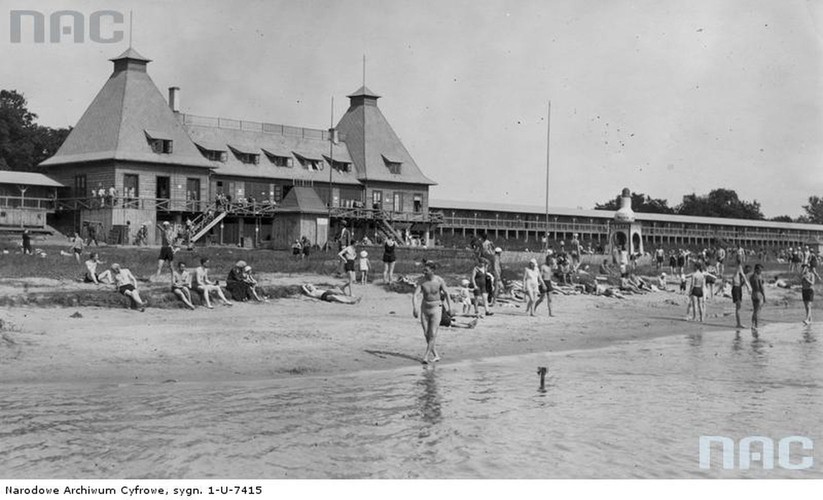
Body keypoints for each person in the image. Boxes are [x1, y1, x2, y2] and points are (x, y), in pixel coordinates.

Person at [412, 261, 452, 364]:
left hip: (436, 307)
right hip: (425, 307)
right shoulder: (421, 281)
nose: (424, 271)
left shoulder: (439, 280)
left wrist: (449, 308)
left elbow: (447, 293)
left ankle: (425, 356)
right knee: (426, 333)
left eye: (426, 270)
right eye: (424, 270)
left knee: (432, 333)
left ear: (432, 270)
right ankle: (436, 355)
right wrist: (415, 308)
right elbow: (415, 295)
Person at [749, 263, 766, 334]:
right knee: (758, 311)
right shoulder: (759, 277)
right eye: (760, 270)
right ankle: (756, 325)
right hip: (758, 294)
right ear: (756, 269)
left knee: (755, 310)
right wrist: (764, 296)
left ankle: (753, 324)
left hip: (753, 294)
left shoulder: (751, 277)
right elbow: (760, 287)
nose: (761, 271)